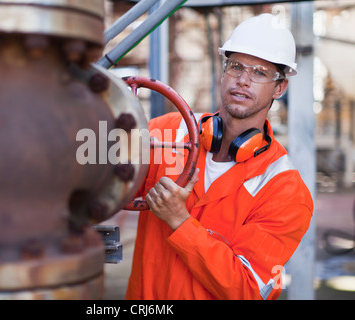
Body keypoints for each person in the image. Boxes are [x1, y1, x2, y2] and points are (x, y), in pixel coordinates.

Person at [125, 13, 313, 300]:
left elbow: (250, 290)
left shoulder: (285, 191)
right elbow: (101, 178)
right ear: (223, 72)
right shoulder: (166, 132)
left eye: (259, 72)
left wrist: (180, 221)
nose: (243, 80)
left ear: (280, 87)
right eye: (236, 66)